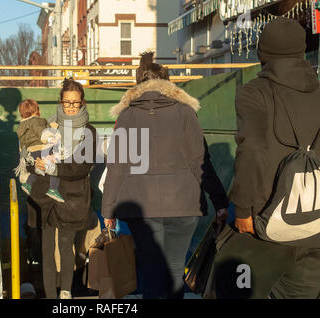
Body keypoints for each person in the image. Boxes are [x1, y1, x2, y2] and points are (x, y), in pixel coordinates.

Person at [101, 52, 229, 299]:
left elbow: (117, 166)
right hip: (184, 205)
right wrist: (220, 203)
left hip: (141, 207)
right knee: (174, 270)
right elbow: (200, 162)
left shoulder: (126, 116)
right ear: (169, 85)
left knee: (151, 271)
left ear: (138, 86)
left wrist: (108, 211)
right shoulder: (185, 113)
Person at [218, 17, 320, 299]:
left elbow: (251, 150)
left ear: (263, 52)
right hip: (315, 225)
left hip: (265, 224)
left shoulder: (254, 93)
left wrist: (242, 210)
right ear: (301, 51)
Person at [26, 78, 98, 299]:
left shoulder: (88, 132)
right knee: (47, 252)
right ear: (61, 101)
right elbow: (32, 156)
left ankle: (65, 295)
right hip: (46, 197)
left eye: (75, 103)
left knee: (66, 248)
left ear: (82, 102)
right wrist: (35, 163)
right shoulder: (49, 126)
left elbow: (82, 167)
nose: (70, 107)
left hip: (73, 199)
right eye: (67, 102)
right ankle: (50, 297)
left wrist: (52, 167)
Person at [17, 99, 64, 202]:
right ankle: (53, 189)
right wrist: (51, 139)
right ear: (36, 110)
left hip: (30, 152)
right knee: (54, 163)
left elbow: (21, 146)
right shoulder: (36, 121)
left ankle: (28, 184)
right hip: (40, 149)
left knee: (37, 169)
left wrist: (23, 157)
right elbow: (41, 132)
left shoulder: (22, 126)